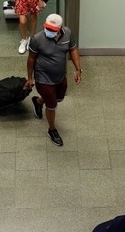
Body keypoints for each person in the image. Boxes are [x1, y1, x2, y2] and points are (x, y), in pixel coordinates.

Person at [25, 13, 82, 147]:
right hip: (43, 77)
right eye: (47, 28)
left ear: (60, 28)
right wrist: (30, 78)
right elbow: (31, 59)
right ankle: (52, 130)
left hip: (60, 76)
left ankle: (38, 101)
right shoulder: (37, 39)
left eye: (52, 29)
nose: (48, 31)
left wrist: (78, 69)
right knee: (52, 106)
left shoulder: (67, 33)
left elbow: (73, 49)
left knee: (58, 98)